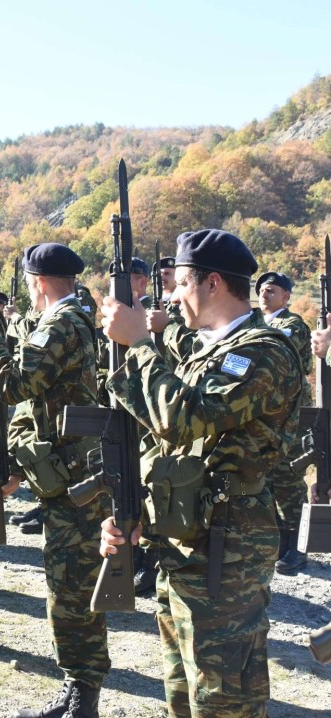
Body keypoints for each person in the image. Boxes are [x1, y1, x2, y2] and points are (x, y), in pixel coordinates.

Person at [100, 229, 302, 718]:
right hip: (184, 538)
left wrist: (141, 345)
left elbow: (185, 417)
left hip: (227, 551)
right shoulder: (204, 350)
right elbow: (169, 446)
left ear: (212, 283)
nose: (171, 296)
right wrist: (134, 512)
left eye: (181, 284)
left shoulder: (263, 351)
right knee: (182, 689)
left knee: (222, 697)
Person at [0, 243, 109, 711]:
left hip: (71, 477)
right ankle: (80, 687)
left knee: (72, 586)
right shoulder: (78, 316)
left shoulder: (59, 322)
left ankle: (83, 694)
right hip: (66, 468)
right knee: (71, 583)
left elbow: (16, 386)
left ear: (38, 282)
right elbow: (42, 403)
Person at [256, 271, 312, 576]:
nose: (265, 295)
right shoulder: (257, 324)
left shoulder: (293, 325)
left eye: (272, 290)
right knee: (269, 478)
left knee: (289, 478)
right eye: (262, 290)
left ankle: (299, 545)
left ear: (286, 297)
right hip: (265, 414)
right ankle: (281, 541)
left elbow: (274, 353)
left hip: (290, 413)